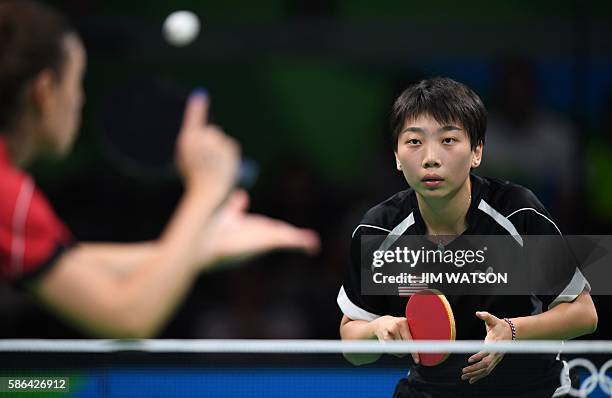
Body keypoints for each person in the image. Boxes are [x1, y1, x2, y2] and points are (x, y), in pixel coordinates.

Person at [0, 0, 319, 338]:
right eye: (77, 82)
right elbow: (128, 317)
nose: (80, 99)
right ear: (45, 92)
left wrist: (198, 246)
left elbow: (73, 265)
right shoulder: (8, 194)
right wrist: (206, 188)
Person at [337, 77, 597, 397]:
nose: (430, 158)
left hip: (530, 390)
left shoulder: (517, 213)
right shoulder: (379, 230)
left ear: (476, 152)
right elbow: (352, 346)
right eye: (414, 142)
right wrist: (377, 331)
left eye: (448, 140)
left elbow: (584, 314)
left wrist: (512, 332)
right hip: (430, 390)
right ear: (396, 156)